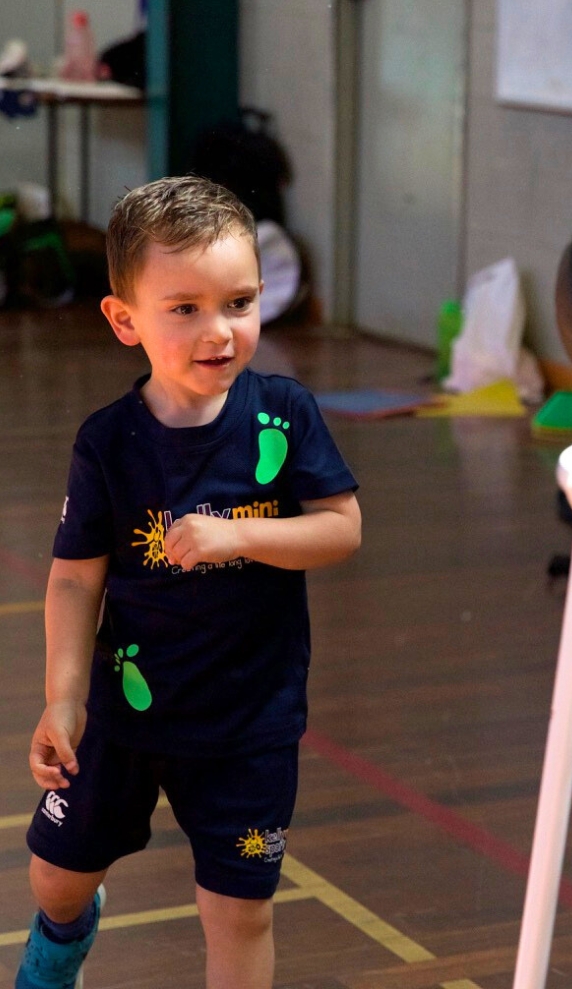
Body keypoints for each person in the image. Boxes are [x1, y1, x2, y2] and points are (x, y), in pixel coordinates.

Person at [16, 175, 362, 989]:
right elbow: (74, 582)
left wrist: (238, 534)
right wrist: (63, 697)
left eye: (239, 302)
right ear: (124, 320)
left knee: (239, 911)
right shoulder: (108, 443)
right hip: (122, 712)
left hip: (250, 720)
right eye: (185, 308)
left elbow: (341, 527)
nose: (219, 330)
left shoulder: (285, 413)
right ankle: (62, 941)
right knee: (56, 877)